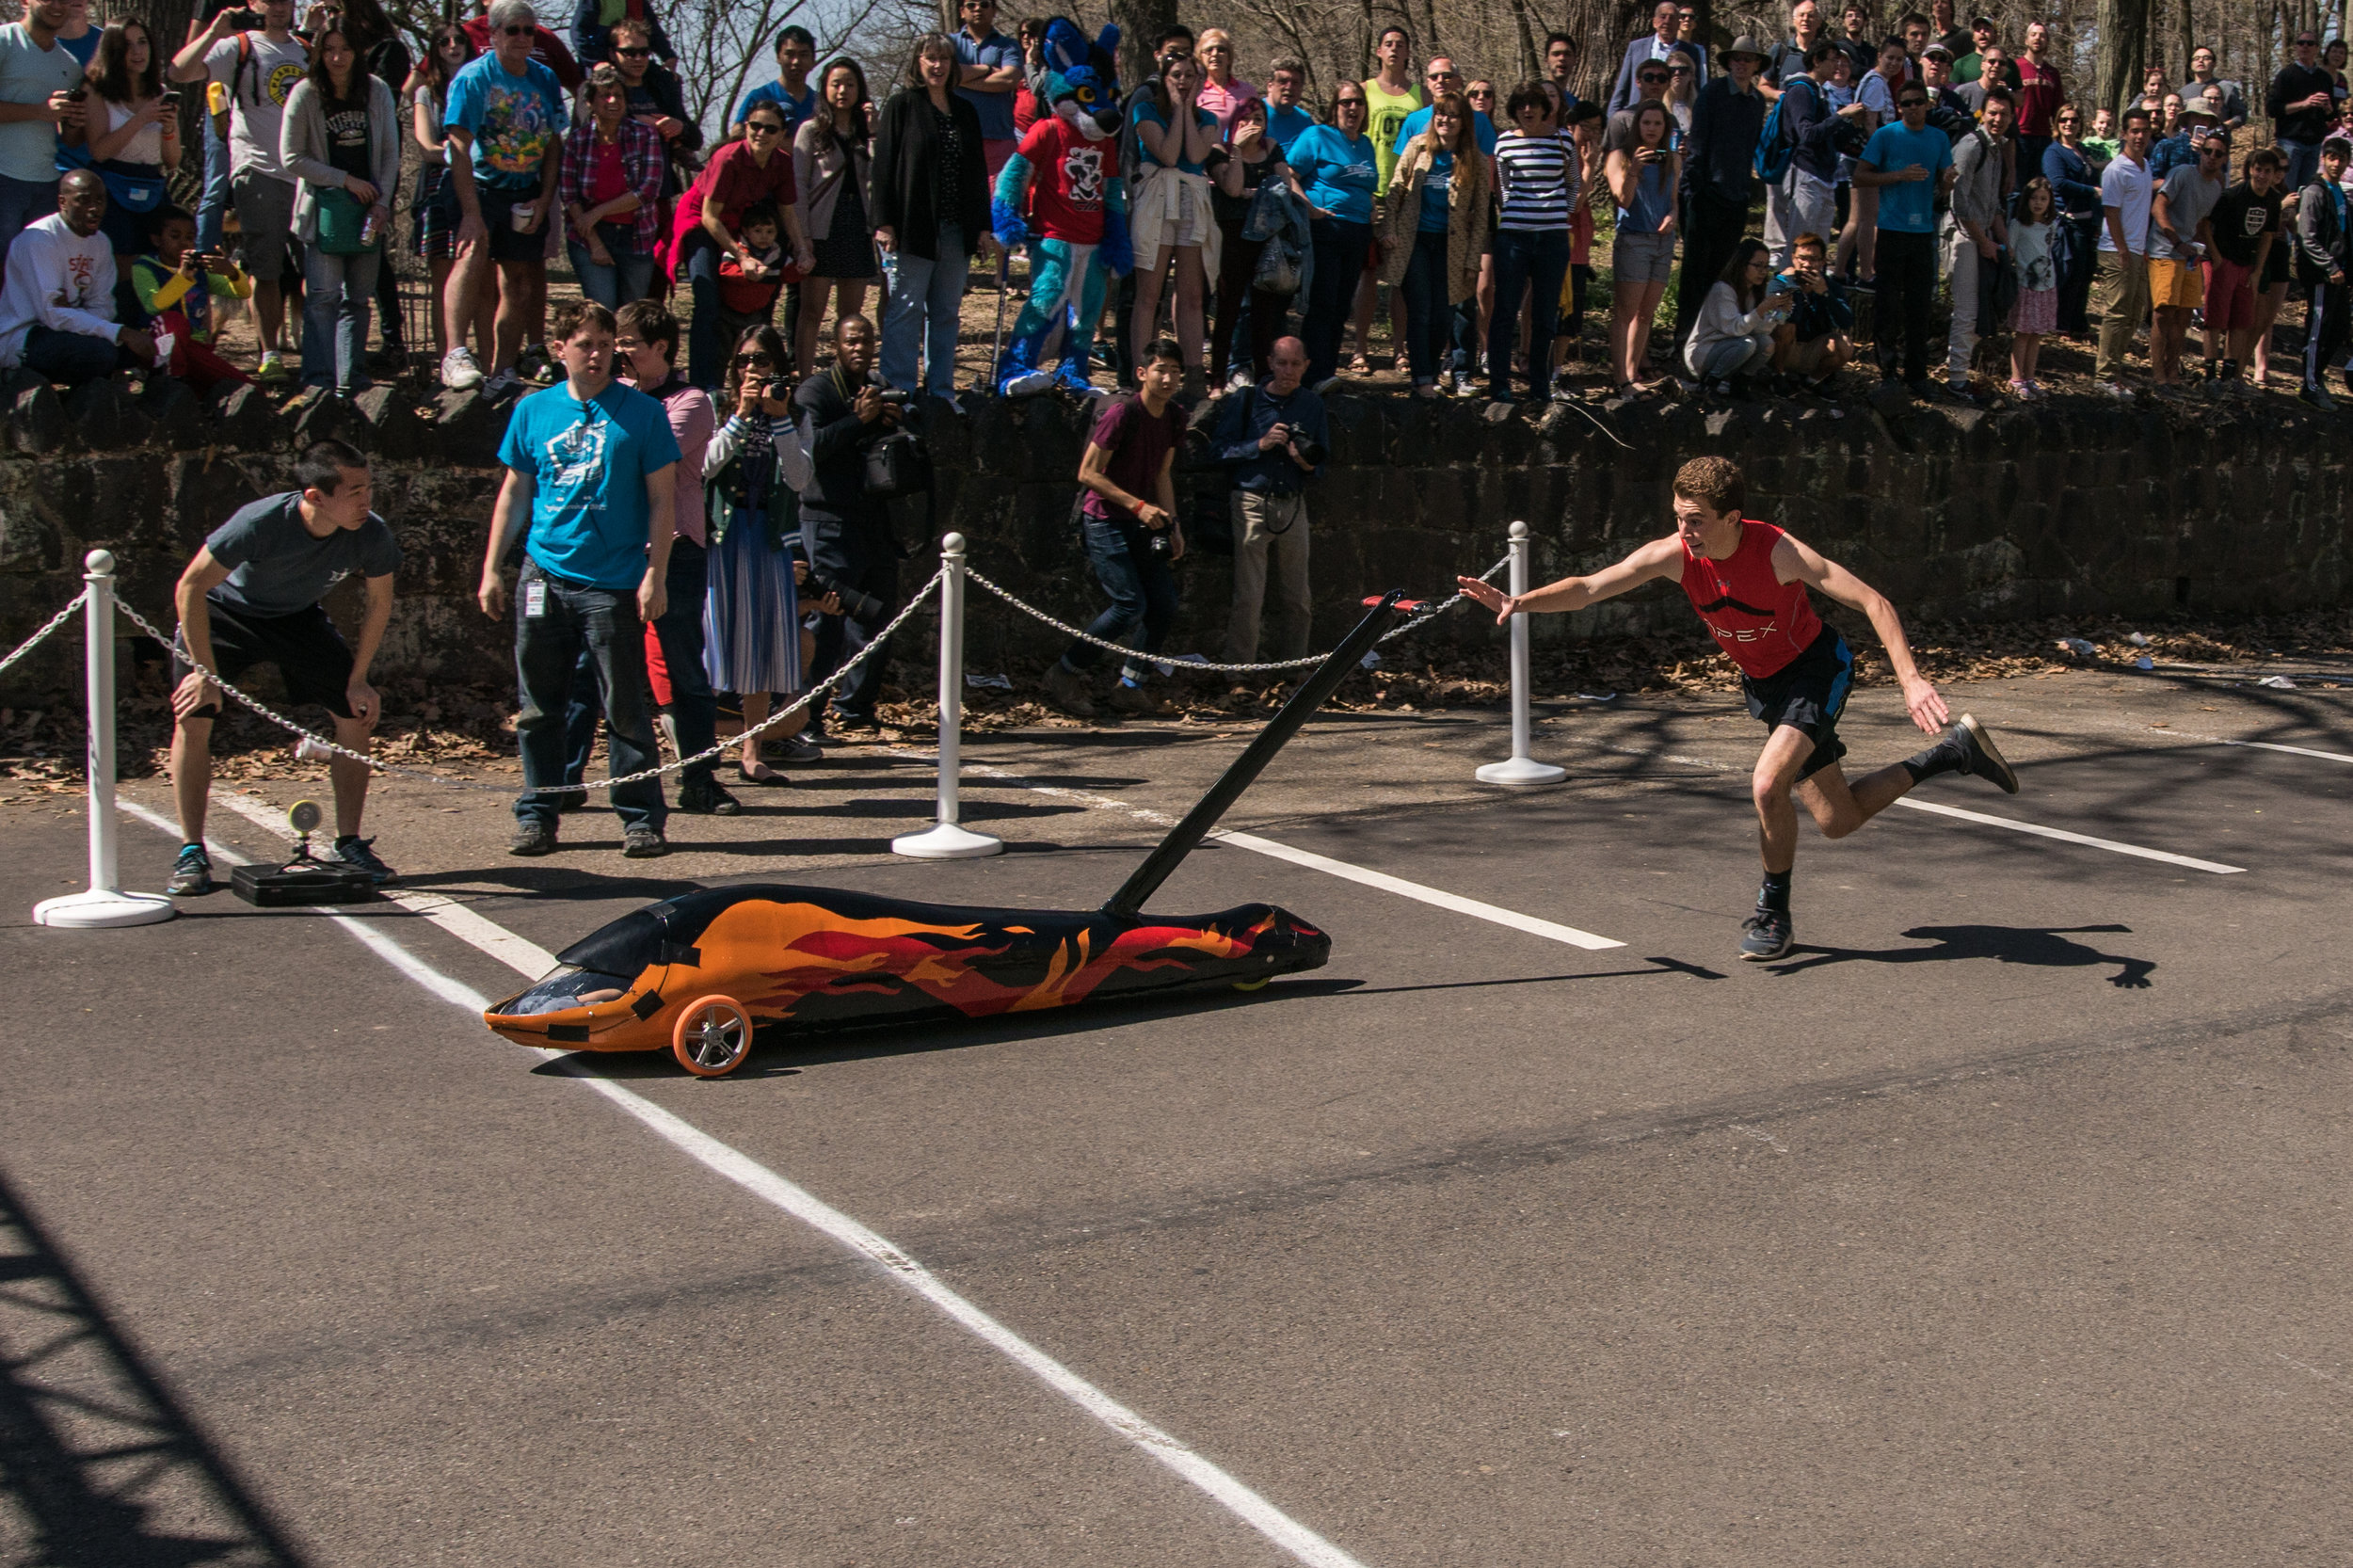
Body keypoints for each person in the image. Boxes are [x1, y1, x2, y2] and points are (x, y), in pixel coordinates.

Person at [1456, 454, 2020, 962]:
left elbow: (1873, 600)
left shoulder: (1779, 552)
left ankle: (1773, 911)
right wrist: (1519, 602)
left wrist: (1912, 680)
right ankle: (1952, 754)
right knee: (1837, 819)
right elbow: (1590, 586)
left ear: (1733, 517)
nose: (1685, 530)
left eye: (1696, 519)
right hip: (1769, 685)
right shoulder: (1676, 556)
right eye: (1679, 516)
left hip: (1815, 672)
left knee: (1766, 784)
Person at [478, 297, 681, 858]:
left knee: (623, 705)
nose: (596, 355)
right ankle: (538, 813)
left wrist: (654, 574)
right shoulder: (533, 411)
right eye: (584, 344)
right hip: (544, 575)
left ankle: (641, 818)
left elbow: (663, 499)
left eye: (605, 343)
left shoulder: (641, 414)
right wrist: (494, 568)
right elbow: (515, 492)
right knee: (540, 706)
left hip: (612, 583)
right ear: (559, 349)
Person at [164, 439, 399, 898]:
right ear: (315, 496)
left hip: (296, 617)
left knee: (355, 715)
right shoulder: (262, 522)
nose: (365, 500)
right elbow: (190, 587)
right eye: (353, 491)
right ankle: (191, 851)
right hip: (225, 613)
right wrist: (203, 673)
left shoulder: (371, 533)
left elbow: (380, 601)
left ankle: (349, 843)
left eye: (368, 487)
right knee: (193, 716)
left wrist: (359, 679)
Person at [1038, 336, 1186, 719]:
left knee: (1164, 603)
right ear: (1142, 373)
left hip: (1144, 520)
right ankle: (1065, 672)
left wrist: (1172, 525)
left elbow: (1163, 474)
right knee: (1128, 604)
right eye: (1161, 370)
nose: (1168, 379)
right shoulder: (1122, 414)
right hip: (1105, 518)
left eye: (1175, 371)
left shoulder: (1174, 417)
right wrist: (1137, 506)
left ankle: (1130, 686)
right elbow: (1088, 473)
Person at [169, 0, 303, 384]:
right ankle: (270, 353)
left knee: (315, 267)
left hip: (306, 173)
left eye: (286, 1)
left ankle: (320, 354)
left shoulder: (307, 49)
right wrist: (214, 31)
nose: (279, 8)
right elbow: (179, 71)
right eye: (271, 0)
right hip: (258, 169)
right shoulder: (239, 46)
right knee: (266, 265)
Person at [438, 0, 565, 398]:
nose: (522, 38)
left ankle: (502, 371)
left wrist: (546, 198)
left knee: (519, 281)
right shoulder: (474, 78)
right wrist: (471, 212)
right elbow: (458, 146)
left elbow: (553, 142)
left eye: (529, 30)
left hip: (525, 190)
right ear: (493, 35)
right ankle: (455, 354)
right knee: (472, 255)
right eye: (513, 30)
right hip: (479, 185)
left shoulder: (544, 78)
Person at [703, 324, 810, 791]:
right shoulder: (712, 406)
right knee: (713, 640)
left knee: (762, 643)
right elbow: (704, 465)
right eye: (744, 360)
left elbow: (801, 477)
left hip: (767, 536)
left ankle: (751, 751)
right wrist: (741, 415)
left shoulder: (793, 413)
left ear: (779, 367)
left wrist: (779, 417)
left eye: (761, 361)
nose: (752, 368)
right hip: (721, 536)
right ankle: (698, 748)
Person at [793, 312, 904, 737]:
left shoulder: (875, 387)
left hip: (872, 520)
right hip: (828, 521)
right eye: (851, 342)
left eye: (866, 341)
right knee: (828, 619)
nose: (859, 349)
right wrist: (857, 420)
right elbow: (809, 449)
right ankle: (807, 717)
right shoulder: (816, 391)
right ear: (836, 346)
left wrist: (890, 420)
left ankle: (856, 708)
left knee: (879, 616)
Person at [872, 33, 991, 407]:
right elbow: (884, 166)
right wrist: (884, 222)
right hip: (913, 227)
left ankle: (941, 390)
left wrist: (984, 227)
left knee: (946, 313)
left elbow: (977, 171)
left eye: (943, 58)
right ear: (918, 64)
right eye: (930, 58)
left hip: (958, 229)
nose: (937, 65)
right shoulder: (901, 106)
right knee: (905, 309)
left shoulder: (966, 111)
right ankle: (900, 389)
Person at [282, 24, 396, 398]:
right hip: (324, 210)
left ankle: (352, 377)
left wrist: (382, 203)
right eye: (329, 49)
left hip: (370, 211)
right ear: (318, 54)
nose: (337, 57)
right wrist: (343, 180)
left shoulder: (377, 91)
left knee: (359, 299)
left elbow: (390, 155)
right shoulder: (305, 94)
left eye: (345, 49)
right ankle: (318, 378)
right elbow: (291, 157)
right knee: (323, 296)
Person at [1210, 334, 1324, 668]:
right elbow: (1218, 451)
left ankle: (1294, 669)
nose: (1288, 371)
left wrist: (1303, 460)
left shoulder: (1312, 404)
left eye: (1295, 364)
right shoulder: (1246, 400)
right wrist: (1258, 445)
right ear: (1270, 363)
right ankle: (1239, 671)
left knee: (1299, 597)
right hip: (1250, 499)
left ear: (1305, 366)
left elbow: (1320, 462)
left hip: (1292, 502)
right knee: (1249, 595)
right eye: (1282, 363)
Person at [684, 95, 808, 388]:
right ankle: (703, 388)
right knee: (707, 299)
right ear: (746, 126)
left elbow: (787, 212)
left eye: (770, 129)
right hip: (702, 222)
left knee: (764, 292)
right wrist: (741, 256)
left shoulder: (781, 162)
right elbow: (709, 217)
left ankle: (757, 381)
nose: (761, 134)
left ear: (782, 135)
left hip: (741, 223)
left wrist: (802, 249)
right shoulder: (729, 157)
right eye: (755, 125)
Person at [1378, 88, 1486, 396]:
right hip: (1415, 242)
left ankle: (1432, 369)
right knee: (1421, 309)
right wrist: (1389, 229)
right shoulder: (1417, 147)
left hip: (1452, 247)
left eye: (1453, 115)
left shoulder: (1474, 159)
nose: (1446, 120)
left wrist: (1472, 258)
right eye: (1441, 113)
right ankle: (1422, 378)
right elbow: (1395, 190)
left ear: (1464, 121)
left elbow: (1480, 215)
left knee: (1444, 314)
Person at [0, 168, 153, 384]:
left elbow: (104, 305)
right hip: (27, 336)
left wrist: (75, 314)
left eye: (100, 201)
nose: (94, 209)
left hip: (71, 330)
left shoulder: (100, 242)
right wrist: (119, 333)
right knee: (102, 353)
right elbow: (52, 315)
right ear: (63, 202)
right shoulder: (39, 239)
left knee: (140, 349)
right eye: (83, 201)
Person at [1129, 45, 1218, 401]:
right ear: (1164, 80)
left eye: (1189, 76)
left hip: (1192, 198)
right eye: (1176, 76)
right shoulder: (1145, 109)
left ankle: (1193, 372)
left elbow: (1196, 155)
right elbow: (1167, 153)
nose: (1183, 82)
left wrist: (1187, 111)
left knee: (1192, 293)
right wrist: (1177, 109)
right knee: (1149, 293)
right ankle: (1142, 370)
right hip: (1156, 198)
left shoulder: (1208, 119)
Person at [1855, 78, 1954, 393]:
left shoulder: (1938, 138)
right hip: (1891, 230)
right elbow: (1860, 176)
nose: (1913, 108)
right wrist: (1897, 175)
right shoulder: (1886, 136)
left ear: (1927, 104)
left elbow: (1943, 185)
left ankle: (1917, 374)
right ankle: (1886, 371)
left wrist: (1950, 182)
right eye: (1906, 103)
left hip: (1923, 232)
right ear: (1899, 107)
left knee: (1919, 307)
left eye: (1918, 102)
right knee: (1887, 305)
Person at [1675, 36, 1769, 360]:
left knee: (1723, 275)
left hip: (1737, 196)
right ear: (1729, 62)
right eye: (1737, 59)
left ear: (1757, 64)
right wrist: (1692, 193)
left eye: (1749, 59)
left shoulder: (1756, 101)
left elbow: (1750, 149)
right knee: (1694, 273)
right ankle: (1682, 341)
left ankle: (1713, 340)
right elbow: (1698, 144)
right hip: (1706, 195)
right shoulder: (1713, 93)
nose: (1742, 64)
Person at [407, 24, 488, 383]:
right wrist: (464, 156)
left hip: (481, 187)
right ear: (434, 50)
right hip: (439, 190)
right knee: (444, 281)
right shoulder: (426, 92)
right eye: (444, 42)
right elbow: (425, 147)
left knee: (484, 280)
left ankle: (489, 362)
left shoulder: (482, 85)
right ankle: (446, 361)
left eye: (459, 41)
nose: (453, 46)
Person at [1487, 80, 1576, 405]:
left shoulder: (1562, 138)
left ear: (1544, 108)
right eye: (1522, 105)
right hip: (1514, 236)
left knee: (1543, 316)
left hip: (1552, 237)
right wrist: (1518, 212)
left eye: (1534, 104)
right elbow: (1504, 188)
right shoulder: (1505, 143)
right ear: (1514, 110)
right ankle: (1499, 385)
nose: (1528, 111)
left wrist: (1556, 215)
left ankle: (1539, 385)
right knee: (1505, 311)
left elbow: (1573, 182)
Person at [1288, 82, 1376, 389]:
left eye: (1358, 103)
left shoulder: (1365, 144)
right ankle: (1311, 374)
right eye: (1345, 103)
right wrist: (1309, 207)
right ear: (1334, 107)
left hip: (1359, 231)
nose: (1352, 108)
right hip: (1326, 229)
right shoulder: (1317, 136)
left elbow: (1366, 187)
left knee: (1341, 306)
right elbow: (1287, 174)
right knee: (1323, 303)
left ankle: (1326, 371)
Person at [1207, 95, 1296, 389]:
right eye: (1246, 119)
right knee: (1229, 310)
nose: (1253, 125)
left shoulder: (1272, 149)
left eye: (1259, 119)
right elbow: (1231, 188)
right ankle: (1218, 378)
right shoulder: (1220, 150)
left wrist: (1254, 192)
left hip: (1266, 241)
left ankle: (1263, 378)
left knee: (1263, 315)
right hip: (1232, 240)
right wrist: (1237, 150)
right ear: (1235, 123)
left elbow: (1283, 189)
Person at [792, 56, 873, 374]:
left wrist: (875, 134)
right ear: (824, 88)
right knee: (811, 310)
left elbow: (879, 176)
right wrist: (803, 237)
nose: (843, 91)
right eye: (836, 84)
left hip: (858, 224)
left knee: (850, 316)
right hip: (822, 225)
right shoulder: (811, 131)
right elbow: (798, 184)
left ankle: (844, 379)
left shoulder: (866, 130)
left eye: (850, 84)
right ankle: (806, 376)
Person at [0, 0, 90, 281]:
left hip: (45, 184)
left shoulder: (69, 64)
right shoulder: (5, 40)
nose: (58, 6)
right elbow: (44, 112)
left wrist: (75, 121)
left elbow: (71, 139)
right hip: (3, 177)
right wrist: (39, 111)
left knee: (32, 278)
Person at [560, 63, 662, 311]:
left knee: (630, 315)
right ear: (590, 103)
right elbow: (569, 195)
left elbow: (647, 190)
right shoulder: (577, 140)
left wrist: (598, 211)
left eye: (618, 94)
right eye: (605, 95)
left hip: (636, 235)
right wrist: (595, 243)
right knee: (602, 310)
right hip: (589, 237)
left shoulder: (644, 135)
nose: (613, 100)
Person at [84, 20, 177, 280]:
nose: (137, 52)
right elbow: (99, 152)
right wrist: (141, 119)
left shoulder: (161, 92)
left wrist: (168, 128)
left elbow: (172, 160)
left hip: (152, 185)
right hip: (112, 185)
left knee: (158, 265)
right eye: (127, 46)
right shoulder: (96, 90)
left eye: (142, 42)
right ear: (113, 51)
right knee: (120, 267)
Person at [129, 203, 252, 392]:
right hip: (156, 348)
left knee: (244, 387)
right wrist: (182, 277)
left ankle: (190, 388)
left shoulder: (199, 271)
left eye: (190, 238)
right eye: (175, 236)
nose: (184, 243)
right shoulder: (144, 268)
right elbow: (153, 305)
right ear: (156, 239)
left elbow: (242, 293)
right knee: (173, 321)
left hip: (194, 348)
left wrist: (231, 272)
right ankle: (170, 382)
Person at [1606, 97, 1680, 394]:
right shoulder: (1619, 156)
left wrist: (1674, 216)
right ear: (1637, 125)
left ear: (1665, 128)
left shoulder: (1672, 158)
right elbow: (1622, 200)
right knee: (1626, 312)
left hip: (1663, 242)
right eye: (1646, 122)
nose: (1651, 129)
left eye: (1657, 123)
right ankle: (1620, 378)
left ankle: (1633, 374)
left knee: (1646, 314)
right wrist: (1634, 169)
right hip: (1634, 240)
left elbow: (1674, 202)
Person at [1763, 39, 1855, 269]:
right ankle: (1782, 300)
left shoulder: (1819, 92)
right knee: (1799, 248)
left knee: (1817, 251)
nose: (1838, 65)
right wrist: (1842, 115)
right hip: (1805, 175)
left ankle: (1811, 300)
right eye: (1833, 59)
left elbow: (1827, 136)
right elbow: (1807, 134)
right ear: (1816, 60)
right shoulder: (1801, 90)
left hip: (1824, 177)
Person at [1942, 87, 2009, 400]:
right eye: (1993, 112)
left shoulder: (1997, 149)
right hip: (1963, 237)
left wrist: (2005, 247)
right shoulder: (1971, 146)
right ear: (1983, 113)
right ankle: (1956, 381)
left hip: (1982, 237)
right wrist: (1983, 242)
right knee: (1967, 312)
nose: (1998, 119)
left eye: (2004, 114)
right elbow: (1959, 202)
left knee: (1982, 312)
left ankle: (1957, 368)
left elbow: (1992, 204)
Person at [2147, 128, 2226, 393]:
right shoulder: (2182, 173)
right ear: (2200, 152)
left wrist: (2213, 253)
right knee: (2163, 313)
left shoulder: (2216, 187)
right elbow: (2158, 206)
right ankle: (2158, 376)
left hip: (2191, 254)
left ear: (2224, 158)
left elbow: (2203, 221)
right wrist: (2175, 240)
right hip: (2164, 249)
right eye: (2207, 151)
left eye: (2218, 154)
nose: (2211, 157)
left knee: (2183, 316)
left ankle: (2173, 373)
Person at [2205, 147, 2282, 392]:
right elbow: (2207, 226)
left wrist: (2258, 269)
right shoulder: (2233, 196)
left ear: (2274, 174)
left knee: (2240, 322)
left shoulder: (2272, 199)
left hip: (2247, 266)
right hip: (2225, 260)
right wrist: (2216, 258)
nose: (2262, 176)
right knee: (2216, 319)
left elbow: (2268, 236)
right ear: (2250, 170)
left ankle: (2230, 375)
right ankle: (2209, 374)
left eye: (2267, 171)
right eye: (2258, 170)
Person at [2093, 108, 2155, 397]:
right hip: (2117, 250)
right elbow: (2111, 212)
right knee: (2116, 313)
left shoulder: (2145, 167)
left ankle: (2115, 371)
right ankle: (2103, 376)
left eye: (2144, 131)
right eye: (2134, 131)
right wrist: (2121, 248)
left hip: (2137, 249)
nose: (2140, 136)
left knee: (2135, 313)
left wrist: (2139, 249)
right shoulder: (2116, 170)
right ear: (2124, 134)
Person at [1837, 36, 1905, 283]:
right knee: (1867, 218)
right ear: (1879, 56)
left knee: (1856, 219)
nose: (1894, 63)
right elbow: (1870, 123)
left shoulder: (1879, 82)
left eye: (1899, 59)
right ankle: (1866, 274)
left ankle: (1839, 271)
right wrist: (1879, 156)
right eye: (1890, 58)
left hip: (1859, 156)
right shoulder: (1876, 83)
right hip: (1863, 158)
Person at [1685, 236, 1791, 391]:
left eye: (1766, 267)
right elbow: (1735, 329)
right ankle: (1710, 383)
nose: (1763, 272)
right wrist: (1761, 309)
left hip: (1731, 347)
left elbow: (1761, 330)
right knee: (1747, 344)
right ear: (1742, 265)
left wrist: (1780, 312)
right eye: (1758, 266)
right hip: (1704, 353)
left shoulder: (1752, 292)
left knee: (1766, 342)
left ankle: (1740, 383)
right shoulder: (1722, 290)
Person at [2293, 134, 2350, 408]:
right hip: (2321, 274)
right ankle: (2309, 385)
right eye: (2332, 158)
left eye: (2342, 159)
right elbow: (2307, 237)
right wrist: (2329, 266)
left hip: (2340, 275)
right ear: (2323, 159)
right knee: (2316, 330)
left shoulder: (2340, 193)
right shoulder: (2315, 191)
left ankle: (2316, 376)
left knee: (2338, 329)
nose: (2337, 164)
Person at [2044, 103, 2102, 336]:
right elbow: (2058, 183)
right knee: (2070, 273)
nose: (2069, 124)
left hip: (2087, 222)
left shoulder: (2083, 150)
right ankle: (2061, 322)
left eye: (2074, 120)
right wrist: (2091, 191)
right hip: (2067, 222)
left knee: (2085, 273)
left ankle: (2077, 322)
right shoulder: (2054, 152)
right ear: (2057, 123)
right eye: (2064, 119)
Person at [1769, 230, 1852, 391]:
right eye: (1802, 258)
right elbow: (1783, 317)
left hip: (1813, 349)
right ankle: (1778, 376)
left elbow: (1846, 321)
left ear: (1822, 262)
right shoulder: (1780, 281)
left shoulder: (1830, 286)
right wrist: (1795, 287)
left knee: (1845, 344)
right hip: (1782, 348)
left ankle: (1812, 382)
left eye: (1814, 259)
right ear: (1793, 258)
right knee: (1786, 327)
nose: (1807, 264)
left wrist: (1825, 294)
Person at [952, 0, 1019, 182]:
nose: (977, 9)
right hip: (956, 137)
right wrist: (987, 69)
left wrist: (961, 79)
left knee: (999, 205)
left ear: (994, 10)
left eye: (984, 4)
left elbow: (1008, 79)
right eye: (971, 5)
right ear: (961, 11)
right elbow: (947, 74)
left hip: (999, 137)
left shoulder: (1009, 45)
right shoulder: (949, 43)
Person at [2005, 177, 2057, 396]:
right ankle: (2017, 379)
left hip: (2047, 285)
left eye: (2043, 199)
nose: (2038, 203)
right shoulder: (2018, 225)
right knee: (2023, 332)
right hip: (2025, 285)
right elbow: (2010, 251)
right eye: (2034, 198)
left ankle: (2030, 377)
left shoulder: (2051, 225)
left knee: (2037, 334)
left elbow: (2048, 250)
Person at [2271, 31, 2333, 195]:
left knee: (2307, 193)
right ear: (2296, 47)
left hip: (2314, 143)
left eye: (2310, 43)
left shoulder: (2324, 78)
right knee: (2287, 191)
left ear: (2317, 49)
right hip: (2291, 142)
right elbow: (2272, 109)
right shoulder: (2286, 75)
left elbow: (2330, 116)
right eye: (2301, 43)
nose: (2305, 46)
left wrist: (2327, 108)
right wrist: (2304, 104)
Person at [733, 24, 816, 138]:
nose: (796, 61)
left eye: (803, 55)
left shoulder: (820, 103)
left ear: (813, 60)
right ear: (778, 57)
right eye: (790, 54)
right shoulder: (760, 97)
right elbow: (737, 135)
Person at [1611, 1, 1692, 117]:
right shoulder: (1636, 48)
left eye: (1672, 18)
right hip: (1638, 115)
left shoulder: (1690, 51)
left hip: (1676, 118)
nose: (1667, 22)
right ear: (1654, 22)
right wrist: (1611, 119)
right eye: (1663, 17)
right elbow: (1622, 88)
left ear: (1678, 23)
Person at [2010, 21, 2061, 176]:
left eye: (2042, 36)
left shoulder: (2052, 73)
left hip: (2044, 138)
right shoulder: (2014, 67)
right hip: (2019, 136)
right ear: (2026, 40)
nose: (2037, 38)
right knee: (2016, 189)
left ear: (2047, 42)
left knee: (2038, 186)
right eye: (2033, 35)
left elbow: (2059, 110)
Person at [568, 0, 672, 71]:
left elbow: (652, 28)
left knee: (666, 83)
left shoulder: (638, 2)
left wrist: (668, 56)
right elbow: (578, 32)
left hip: (633, 66)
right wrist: (596, 62)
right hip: (601, 67)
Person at [1194, 28, 1257, 134]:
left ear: (1229, 57)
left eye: (1221, 50)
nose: (1215, 54)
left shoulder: (1248, 91)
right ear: (1201, 57)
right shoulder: (1194, 91)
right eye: (1209, 50)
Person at [2186, 43, 2248, 132]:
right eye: (2196, 58)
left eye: (2206, 58)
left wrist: (2222, 127)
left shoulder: (2226, 88)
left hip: (2218, 141)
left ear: (2214, 64)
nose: (2200, 61)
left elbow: (2241, 115)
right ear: (2191, 64)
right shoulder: (2184, 91)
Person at [1262, 56, 1315, 152]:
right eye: (1283, 81)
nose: (1289, 87)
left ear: (1301, 88)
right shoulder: (1251, 115)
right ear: (1270, 86)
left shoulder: (1306, 122)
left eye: (1295, 83)